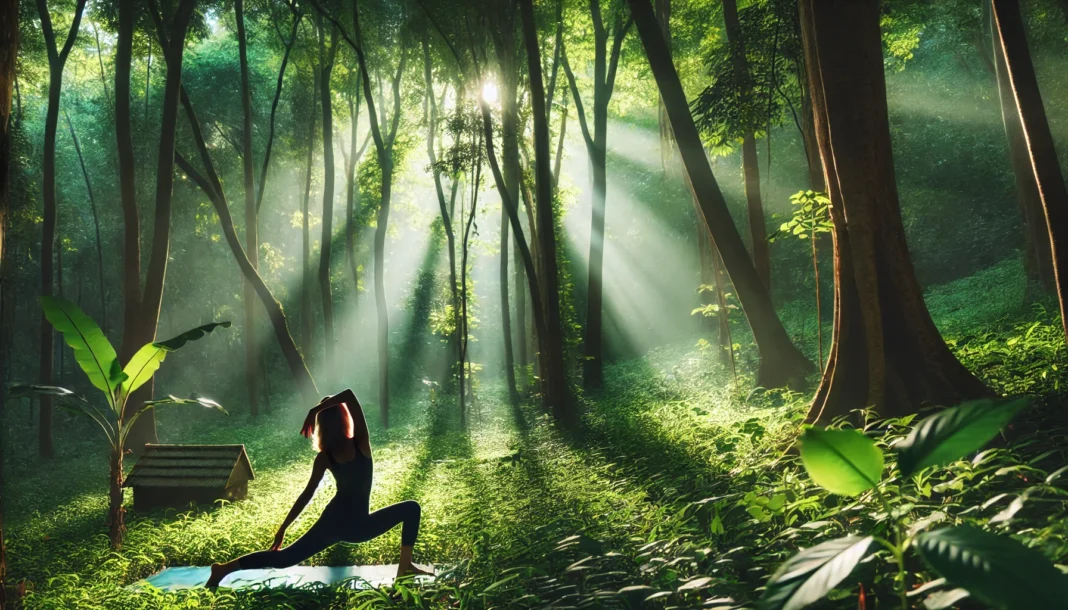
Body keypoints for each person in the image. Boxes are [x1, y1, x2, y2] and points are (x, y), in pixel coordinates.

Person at [206, 389, 430, 588]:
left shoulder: (327, 457)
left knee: (284, 559)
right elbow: (349, 395)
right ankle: (405, 566)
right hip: (353, 525)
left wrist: (284, 527)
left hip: (339, 523)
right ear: (345, 419)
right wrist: (316, 408)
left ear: (322, 425)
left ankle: (224, 568)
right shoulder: (359, 443)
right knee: (411, 508)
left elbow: (307, 495)